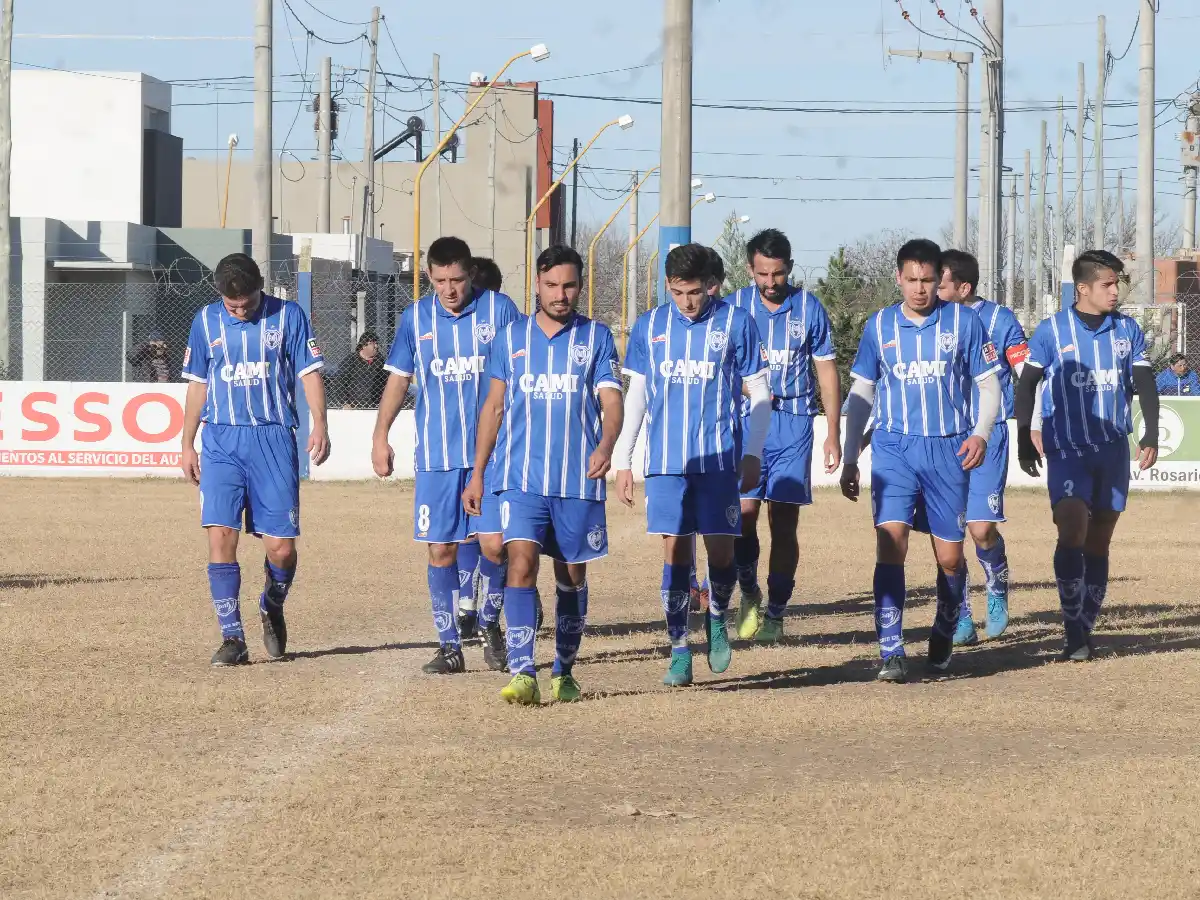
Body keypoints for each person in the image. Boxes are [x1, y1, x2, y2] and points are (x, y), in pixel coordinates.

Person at [464, 246, 623, 705]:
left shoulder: (596, 337)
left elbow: (612, 402)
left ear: (580, 286)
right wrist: (478, 473)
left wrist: (606, 445)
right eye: (552, 285)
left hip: (576, 480)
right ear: (537, 284)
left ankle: (564, 670)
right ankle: (523, 673)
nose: (560, 294)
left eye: (569, 286)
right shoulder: (510, 338)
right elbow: (493, 407)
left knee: (571, 576)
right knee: (520, 562)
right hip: (521, 479)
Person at [840, 238, 1001, 683]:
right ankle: (891, 650)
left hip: (948, 449)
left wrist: (980, 433)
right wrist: (851, 456)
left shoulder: (964, 322)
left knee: (949, 558)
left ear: (939, 279)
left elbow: (989, 385)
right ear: (898, 278)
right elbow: (862, 392)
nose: (919, 289)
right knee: (890, 543)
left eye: (927, 280)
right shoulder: (879, 326)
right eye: (911, 280)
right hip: (894, 447)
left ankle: (946, 623)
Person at [613, 243, 771, 687]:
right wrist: (624, 460)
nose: (687, 301)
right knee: (676, 553)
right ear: (668, 286)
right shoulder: (650, 326)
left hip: (719, 461)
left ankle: (717, 615)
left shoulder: (736, 323)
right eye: (678, 292)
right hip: (666, 463)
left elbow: (760, 393)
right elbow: (637, 396)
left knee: (721, 554)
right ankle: (679, 647)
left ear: (712, 285)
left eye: (695, 292)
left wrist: (753, 452)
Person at [372, 237, 519, 675]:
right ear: (429, 277)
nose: (449, 289)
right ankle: (449, 646)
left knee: (495, 546)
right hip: (437, 457)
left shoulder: (500, 311)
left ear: (470, 274)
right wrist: (380, 435)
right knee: (440, 550)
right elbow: (399, 380)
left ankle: (489, 622)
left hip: (495, 455)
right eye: (440, 281)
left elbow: (523, 372)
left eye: (456, 279)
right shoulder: (415, 318)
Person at [179, 253, 330, 666]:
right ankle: (233, 638)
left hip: (274, 438)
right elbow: (197, 385)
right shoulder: (205, 321)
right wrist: (187, 443)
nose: (240, 311)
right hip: (222, 440)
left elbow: (310, 372)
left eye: (246, 303)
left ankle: (272, 602)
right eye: (232, 306)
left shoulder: (289, 316)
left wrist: (320, 423)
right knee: (220, 536)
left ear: (259, 288)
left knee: (281, 549)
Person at [1014, 249, 1159, 661]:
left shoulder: (1127, 329)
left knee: (1100, 537)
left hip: (1112, 448)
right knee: (1072, 527)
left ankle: (1086, 620)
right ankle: (1073, 628)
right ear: (1083, 288)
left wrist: (1150, 431)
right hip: (1068, 448)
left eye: (1117, 284)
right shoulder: (1051, 331)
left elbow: (1145, 381)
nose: (1115, 291)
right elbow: (1027, 385)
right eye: (1107, 284)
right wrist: (1024, 437)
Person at [724, 228, 841, 643]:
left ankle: (776, 611)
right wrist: (746, 388)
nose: (770, 282)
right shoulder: (733, 308)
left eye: (777, 273)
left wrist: (832, 431)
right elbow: (720, 365)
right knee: (742, 515)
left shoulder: (809, 309)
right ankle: (748, 590)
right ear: (749, 269)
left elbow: (826, 372)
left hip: (793, 423)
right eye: (762, 274)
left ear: (789, 267)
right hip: (745, 421)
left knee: (784, 521)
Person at [929, 249, 1029, 645]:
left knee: (981, 528)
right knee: (950, 534)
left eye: (940, 284)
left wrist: (1033, 423)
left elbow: (1025, 372)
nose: (932, 290)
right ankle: (961, 614)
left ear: (963, 287)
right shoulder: (930, 319)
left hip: (989, 436)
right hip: (944, 438)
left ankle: (997, 585)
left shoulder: (1000, 320)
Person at [331, 330, 389, 409]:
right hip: (353, 406)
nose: (376, 346)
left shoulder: (381, 362)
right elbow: (339, 383)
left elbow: (387, 383)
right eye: (373, 343)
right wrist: (344, 402)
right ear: (364, 345)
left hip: (375, 406)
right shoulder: (351, 360)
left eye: (377, 343)